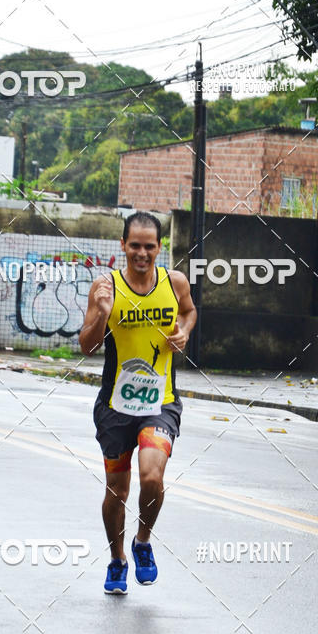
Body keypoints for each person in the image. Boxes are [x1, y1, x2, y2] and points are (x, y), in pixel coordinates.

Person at [79, 211, 197, 594]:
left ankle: (142, 541)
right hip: (115, 406)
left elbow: (190, 312)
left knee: (152, 476)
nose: (142, 253)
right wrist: (102, 313)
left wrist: (185, 332)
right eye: (135, 246)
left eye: (149, 246)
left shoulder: (174, 283)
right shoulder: (106, 286)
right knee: (117, 490)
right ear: (123, 246)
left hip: (159, 403)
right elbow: (87, 344)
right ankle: (117, 559)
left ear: (160, 248)